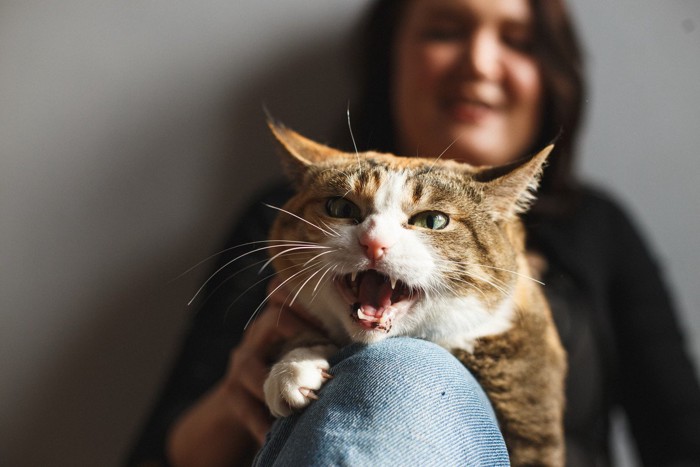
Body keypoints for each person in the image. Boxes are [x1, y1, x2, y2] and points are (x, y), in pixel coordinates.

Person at [127, 0, 700, 465]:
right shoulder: (291, 216)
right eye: (446, 30)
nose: (479, 62)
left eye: (518, 40)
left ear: (551, 75)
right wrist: (236, 399)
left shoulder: (597, 228)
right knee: (394, 368)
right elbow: (154, 455)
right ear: (392, 55)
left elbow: (680, 436)